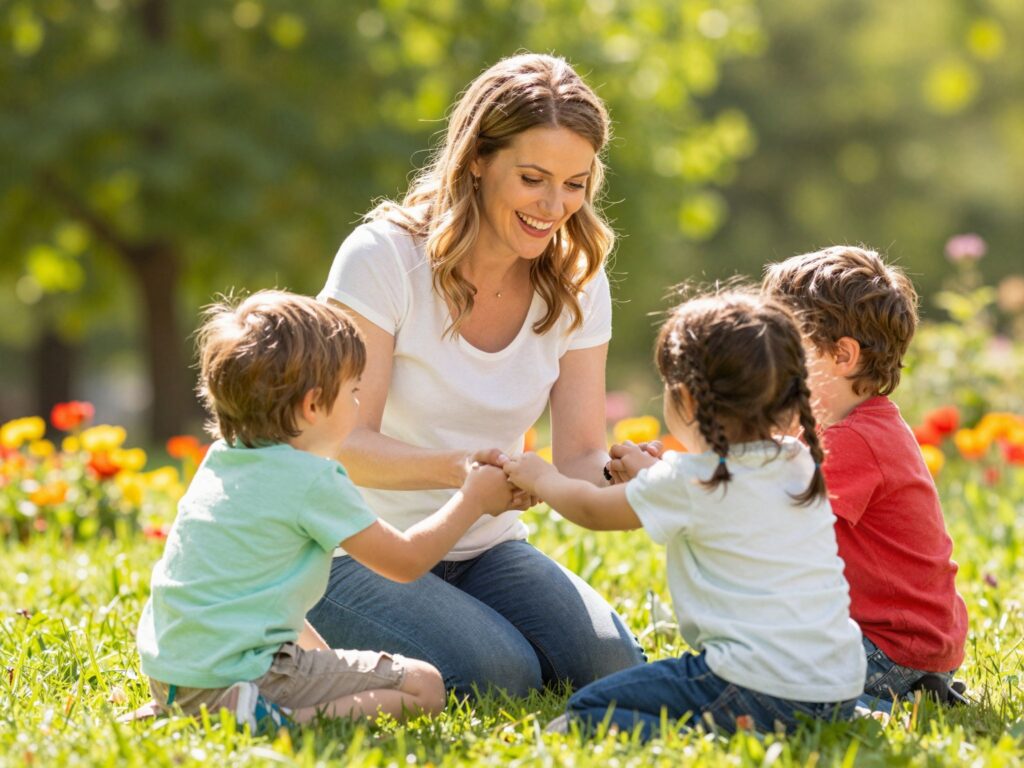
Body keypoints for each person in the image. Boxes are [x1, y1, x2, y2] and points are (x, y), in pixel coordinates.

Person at [308, 53, 645, 698]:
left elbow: (576, 453)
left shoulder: (577, 279)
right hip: (353, 547)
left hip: (483, 546)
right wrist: (463, 473)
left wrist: (621, 479)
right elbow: (342, 446)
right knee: (501, 674)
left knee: (611, 666)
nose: (555, 207)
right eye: (533, 178)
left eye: (575, 183)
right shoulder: (383, 257)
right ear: (477, 160)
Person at [136, 291, 513, 730]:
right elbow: (405, 561)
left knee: (331, 667)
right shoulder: (311, 478)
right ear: (313, 405)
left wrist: (329, 667)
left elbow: (274, 613)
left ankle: (198, 710)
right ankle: (278, 720)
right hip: (242, 674)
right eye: (353, 391)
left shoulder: (224, 459)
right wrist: (474, 499)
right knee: (424, 686)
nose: (358, 405)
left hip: (173, 675)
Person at [505, 289, 866, 738]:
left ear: (688, 401)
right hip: (838, 686)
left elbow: (593, 510)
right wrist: (650, 475)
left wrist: (541, 477)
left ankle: (719, 734)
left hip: (751, 682)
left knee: (589, 707)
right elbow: (714, 496)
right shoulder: (795, 459)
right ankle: (785, 723)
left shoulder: (689, 483)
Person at [763, 246, 968, 702]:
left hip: (889, 650)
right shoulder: (855, 425)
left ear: (842, 356)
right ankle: (914, 691)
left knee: (755, 662)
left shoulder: (854, 440)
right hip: (911, 644)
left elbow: (766, 514)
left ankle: (872, 703)